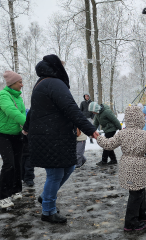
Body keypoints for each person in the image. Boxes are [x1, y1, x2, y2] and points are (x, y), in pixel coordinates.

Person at [23, 54, 98, 223]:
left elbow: (35, 110)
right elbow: (71, 108)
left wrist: (27, 129)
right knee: (56, 174)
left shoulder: (41, 84)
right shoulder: (54, 83)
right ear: (57, 68)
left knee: (69, 167)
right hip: (53, 137)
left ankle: (45, 196)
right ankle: (48, 211)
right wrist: (90, 128)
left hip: (51, 135)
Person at [95, 106, 146, 231]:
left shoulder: (122, 133)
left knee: (139, 191)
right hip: (137, 165)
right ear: (140, 119)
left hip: (127, 164)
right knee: (136, 193)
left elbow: (108, 144)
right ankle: (130, 222)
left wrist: (98, 137)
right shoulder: (144, 134)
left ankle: (141, 214)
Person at [0, 71, 26, 209]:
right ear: (12, 83)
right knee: (9, 164)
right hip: (3, 136)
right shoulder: (3, 95)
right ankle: (3, 198)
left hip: (16, 135)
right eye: (20, 82)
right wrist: (28, 124)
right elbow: (11, 111)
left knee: (18, 163)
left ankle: (16, 190)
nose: (22, 85)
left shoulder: (18, 97)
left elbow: (23, 113)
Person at [89, 102, 122, 166]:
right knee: (108, 145)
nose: (93, 113)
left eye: (93, 111)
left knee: (106, 145)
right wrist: (92, 131)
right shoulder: (97, 114)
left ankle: (104, 161)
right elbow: (96, 123)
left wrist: (120, 129)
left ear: (96, 109)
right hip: (107, 130)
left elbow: (115, 120)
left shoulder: (106, 112)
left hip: (111, 129)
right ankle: (113, 160)